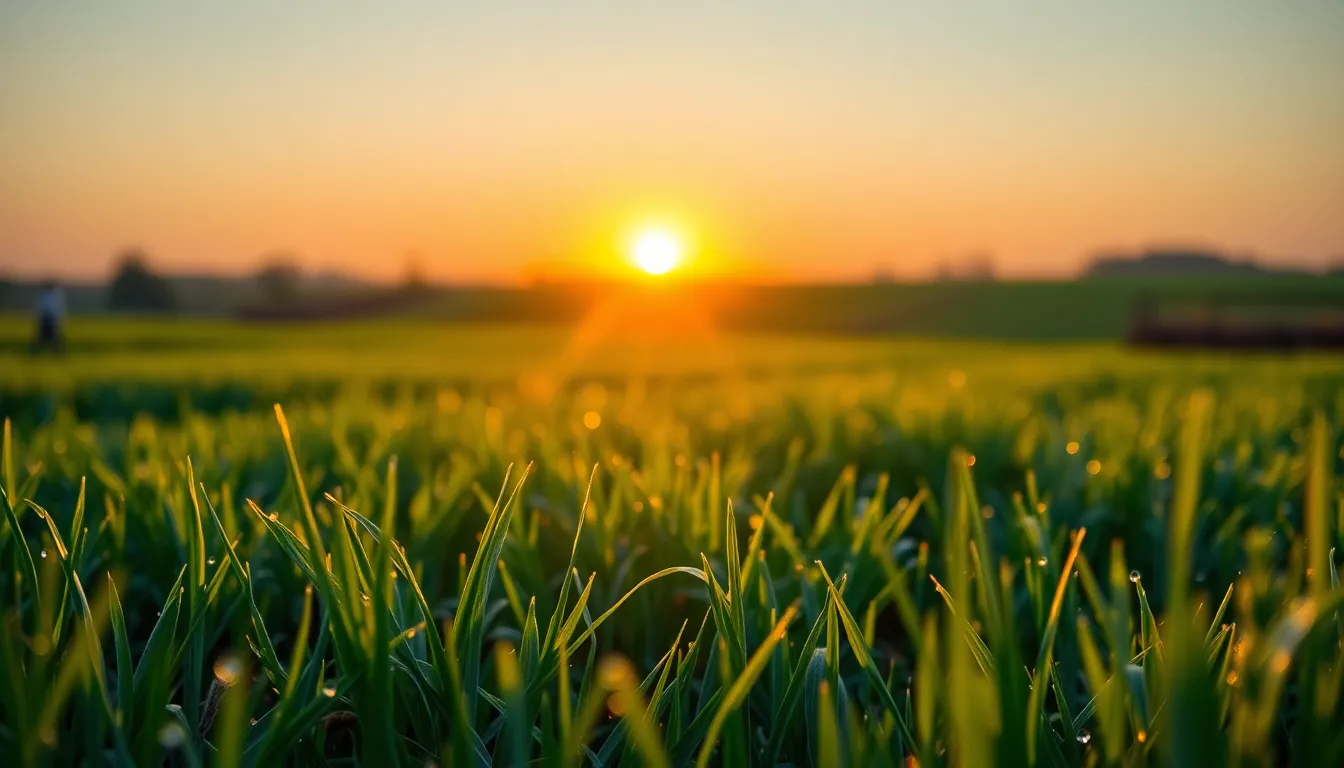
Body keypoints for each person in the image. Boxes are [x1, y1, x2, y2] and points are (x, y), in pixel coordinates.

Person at [32, 280, 64, 353]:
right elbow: (57, 308)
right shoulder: (53, 295)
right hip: (48, 318)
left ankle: (52, 350)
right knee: (49, 336)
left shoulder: (45, 295)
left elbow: (40, 308)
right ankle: (53, 351)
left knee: (49, 336)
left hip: (48, 318)